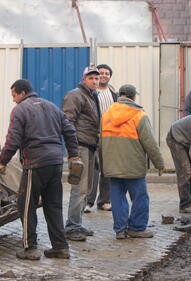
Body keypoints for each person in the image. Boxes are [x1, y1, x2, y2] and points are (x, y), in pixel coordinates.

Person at [0, 79, 78, 260]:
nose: (13, 100)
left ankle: (30, 248)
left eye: (14, 95)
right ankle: (60, 247)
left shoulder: (20, 110)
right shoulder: (51, 107)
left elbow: (13, 139)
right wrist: (73, 155)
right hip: (56, 163)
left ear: (22, 93)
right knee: (53, 205)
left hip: (35, 163)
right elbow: (70, 131)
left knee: (25, 205)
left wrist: (2, 161)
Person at [100, 84, 164, 239]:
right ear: (134, 97)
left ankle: (120, 230)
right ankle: (136, 228)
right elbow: (150, 143)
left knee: (117, 198)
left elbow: (101, 142)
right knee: (140, 198)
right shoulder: (139, 115)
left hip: (113, 166)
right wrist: (159, 163)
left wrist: (104, 164)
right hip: (133, 165)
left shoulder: (106, 115)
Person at [62, 66, 100, 241]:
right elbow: (67, 122)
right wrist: (73, 151)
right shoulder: (75, 95)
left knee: (87, 189)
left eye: (96, 78)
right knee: (79, 189)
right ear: (83, 79)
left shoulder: (91, 97)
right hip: (81, 147)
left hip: (90, 146)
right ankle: (71, 227)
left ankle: (76, 222)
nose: (94, 81)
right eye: (91, 78)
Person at [85, 64, 118, 213]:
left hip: (109, 136)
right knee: (93, 170)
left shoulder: (113, 93)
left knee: (107, 170)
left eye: (107, 74)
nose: (104, 76)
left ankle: (104, 201)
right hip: (93, 135)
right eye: (101, 73)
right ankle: (88, 202)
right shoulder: (90, 93)